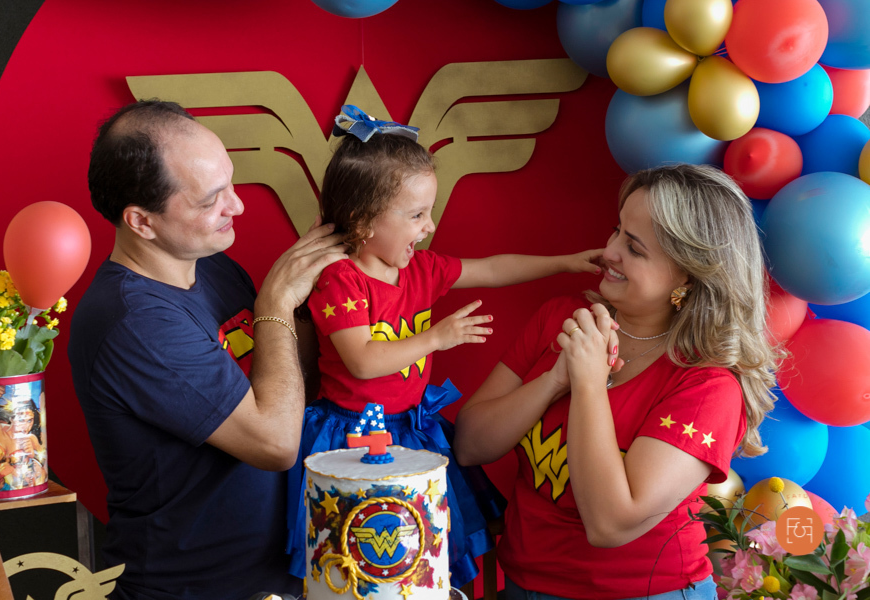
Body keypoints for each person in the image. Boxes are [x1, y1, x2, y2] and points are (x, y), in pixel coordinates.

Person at [287, 105, 605, 588]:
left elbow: (494, 268)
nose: (429, 226)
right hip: (350, 437)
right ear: (361, 218)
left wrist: (565, 261)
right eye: (416, 215)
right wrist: (437, 337)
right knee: (358, 557)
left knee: (421, 555)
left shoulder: (422, 269)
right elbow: (363, 360)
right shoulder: (340, 280)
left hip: (413, 432)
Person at [454, 164, 782, 600]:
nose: (609, 251)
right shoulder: (562, 318)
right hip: (522, 584)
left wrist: (588, 384)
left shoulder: (709, 386)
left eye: (634, 247)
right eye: (616, 231)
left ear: (687, 274)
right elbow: (470, 444)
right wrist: (555, 380)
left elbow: (611, 524)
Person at [68, 100, 346, 600]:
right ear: (141, 221)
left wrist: (313, 294)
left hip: (275, 581)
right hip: (190, 589)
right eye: (210, 200)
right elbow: (276, 443)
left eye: (231, 184)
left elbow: (295, 382)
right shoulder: (134, 321)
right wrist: (277, 301)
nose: (237, 206)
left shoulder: (214, 266)